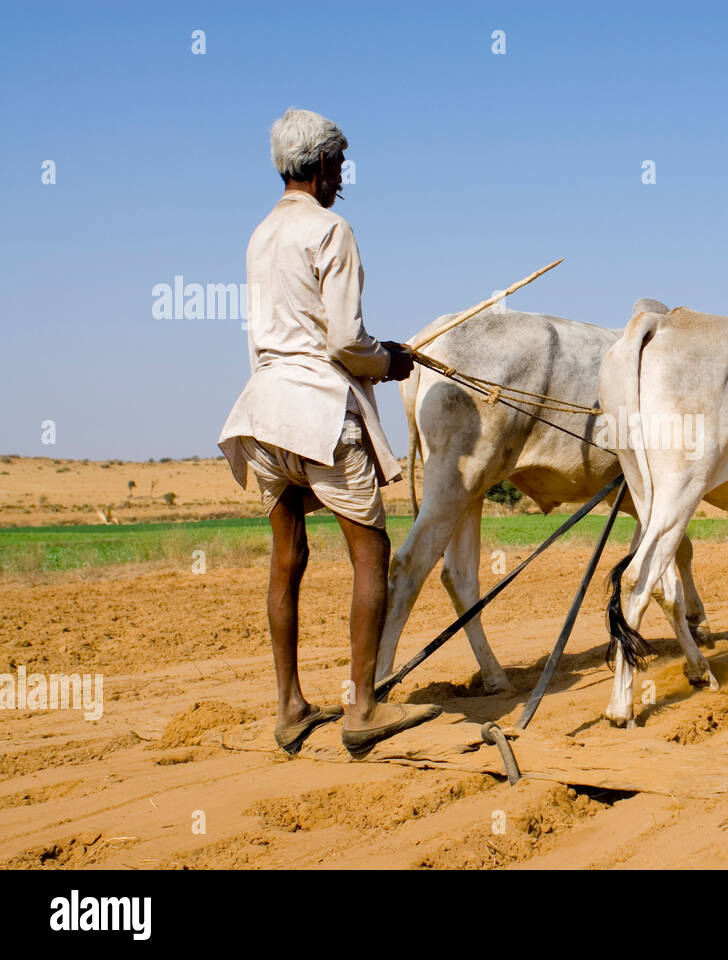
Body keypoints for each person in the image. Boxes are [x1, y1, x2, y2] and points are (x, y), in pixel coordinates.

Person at [218, 108, 440, 759]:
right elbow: (345, 340)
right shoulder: (332, 230)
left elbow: (276, 333)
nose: (343, 177)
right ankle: (361, 707)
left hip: (263, 412)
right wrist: (389, 361)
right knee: (370, 555)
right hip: (320, 414)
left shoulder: (259, 235)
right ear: (319, 166)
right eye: (339, 165)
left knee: (287, 559)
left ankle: (289, 706)